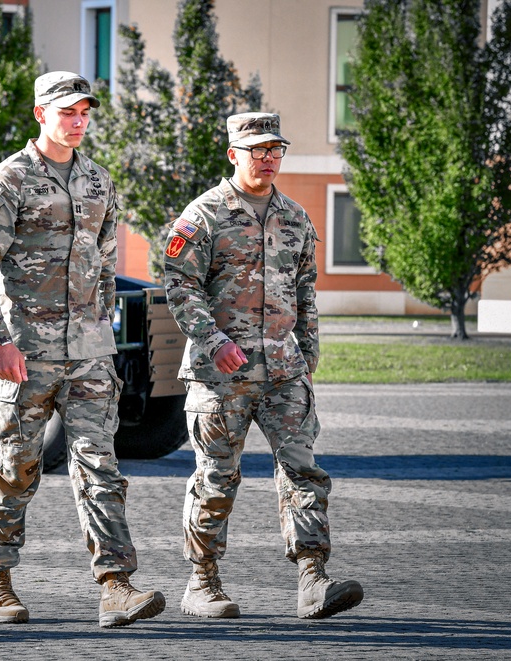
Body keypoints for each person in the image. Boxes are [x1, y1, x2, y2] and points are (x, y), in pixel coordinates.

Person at [0, 71, 166, 628]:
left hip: (89, 357)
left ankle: (116, 585)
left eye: (84, 112)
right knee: (16, 468)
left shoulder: (98, 181)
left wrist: (101, 328)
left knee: (101, 467)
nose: (77, 121)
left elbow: (104, 265)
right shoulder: (8, 181)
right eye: (66, 111)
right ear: (40, 114)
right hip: (26, 355)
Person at [163, 112, 364, 620]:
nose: (268, 158)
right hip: (221, 376)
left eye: (276, 149)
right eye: (257, 150)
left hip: (283, 371)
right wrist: (211, 341)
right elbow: (179, 286)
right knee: (216, 477)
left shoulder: (295, 216)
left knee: (303, 472)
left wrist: (309, 355)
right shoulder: (204, 214)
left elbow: (305, 291)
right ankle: (202, 583)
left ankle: (312, 580)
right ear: (234, 153)